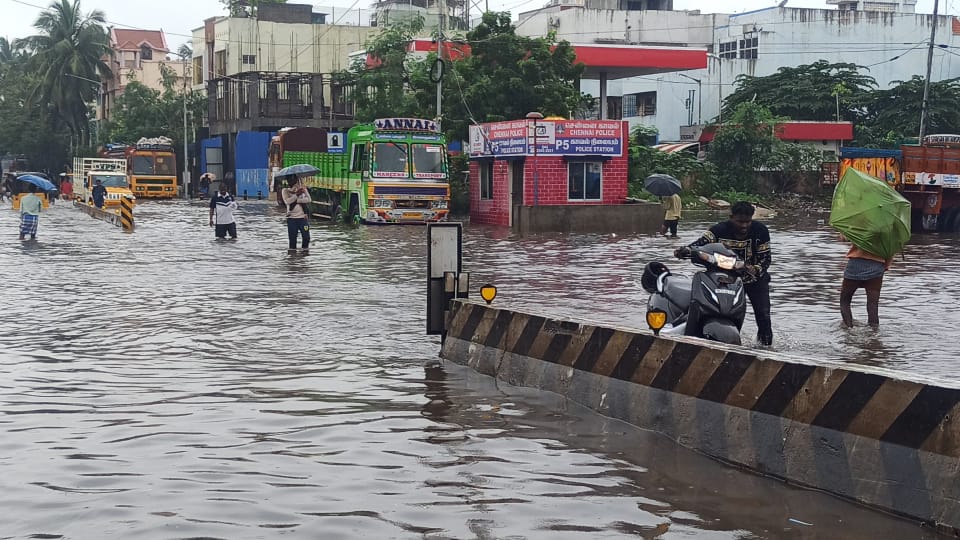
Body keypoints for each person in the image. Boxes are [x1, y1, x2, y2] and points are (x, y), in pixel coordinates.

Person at [675, 201, 773, 346]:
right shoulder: (718, 230)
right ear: (731, 217)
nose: (744, 226)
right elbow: (700, 244)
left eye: (748, 222)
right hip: (726, 280)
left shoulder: (761, 231)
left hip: (754, 280)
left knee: (763, 315)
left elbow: (766, 259)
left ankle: (766, 347)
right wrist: (685, 251)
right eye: (740, 221)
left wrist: (754, 269)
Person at [839, 239, 892, 328]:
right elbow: (891, 250)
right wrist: (885, 265)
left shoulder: (861, 226)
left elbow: (844, 237)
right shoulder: (889, 231)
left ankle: (848, 329)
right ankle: (874, 334)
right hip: (877, 264)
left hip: (856, 263)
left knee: (845, 301)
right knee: (873, 305)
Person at [281, 177, 311, 251]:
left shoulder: (302, 190)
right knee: (292, 240)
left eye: (296, 182)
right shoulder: (285, 191)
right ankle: (292, 257)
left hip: (303, 218)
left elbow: (309, 199)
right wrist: (296, 195)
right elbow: (287, 201)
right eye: (291, 181)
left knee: (306, 237)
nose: (294, 184)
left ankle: (304, 253)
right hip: (292, 219)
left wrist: (298, 200)